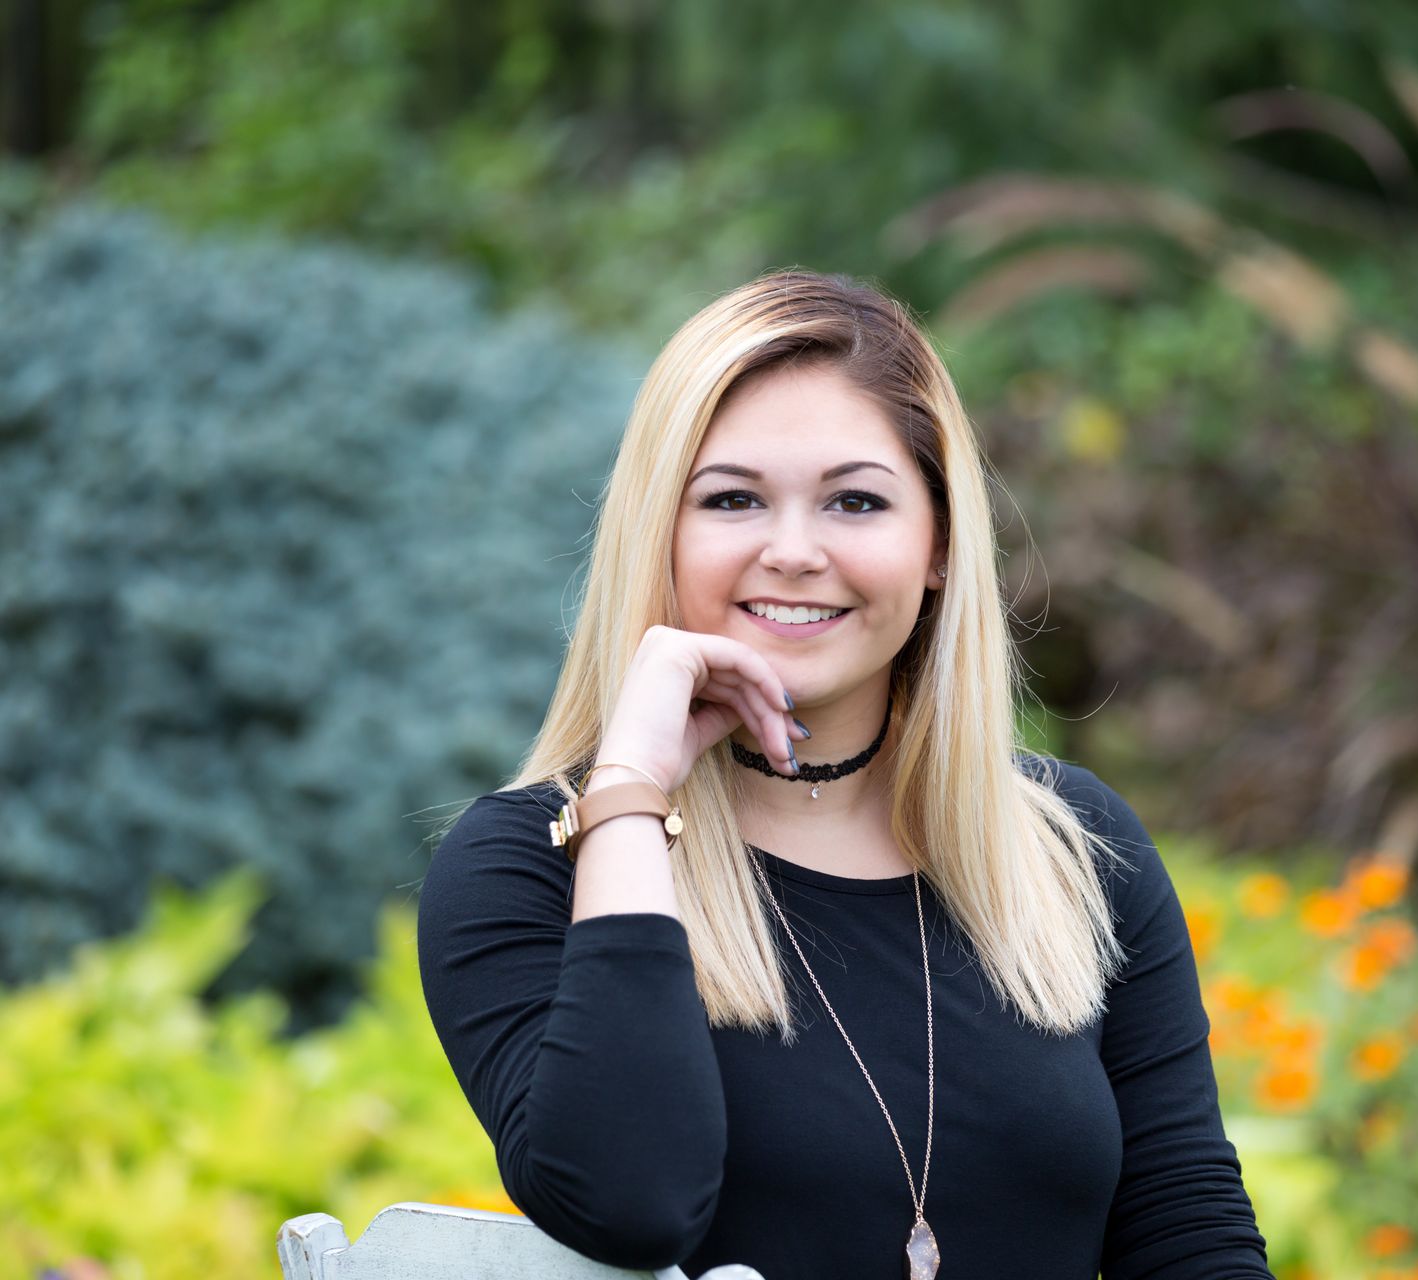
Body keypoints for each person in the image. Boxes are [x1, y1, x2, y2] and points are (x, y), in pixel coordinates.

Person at [414, 270, 1272, 1279]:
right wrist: (632, 789)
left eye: (856, 500)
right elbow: (629, 1202)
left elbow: (1190, 1232)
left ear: (940, 543)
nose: (792, 551)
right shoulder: (530, 866)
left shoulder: (1076, 846)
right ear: (659, 532)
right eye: (732, 499)